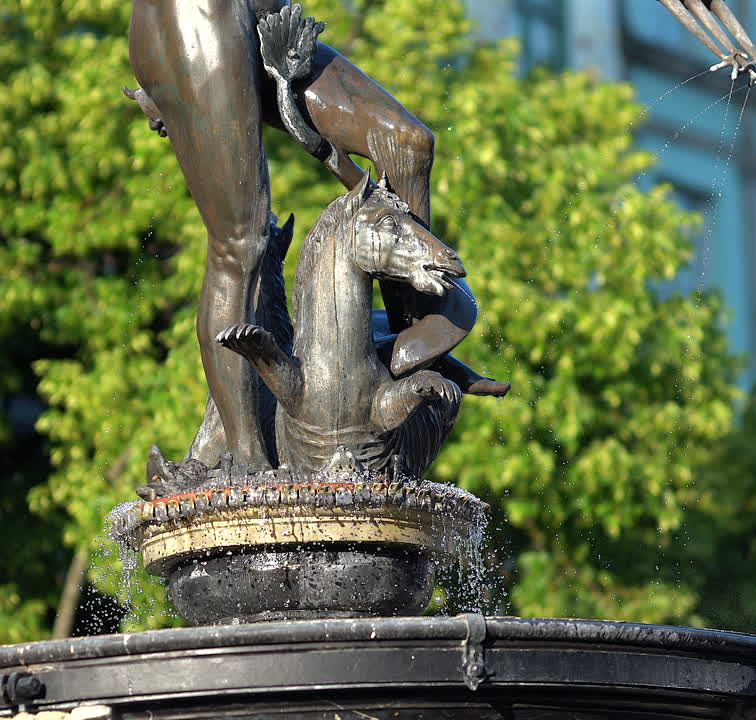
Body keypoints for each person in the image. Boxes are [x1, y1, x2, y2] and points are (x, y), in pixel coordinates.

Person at [129, 0, 506, 474]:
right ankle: (248, 460)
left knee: (407, 145)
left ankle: (397, 364)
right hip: (199, 18)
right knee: (242, 243)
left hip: (271, 21)